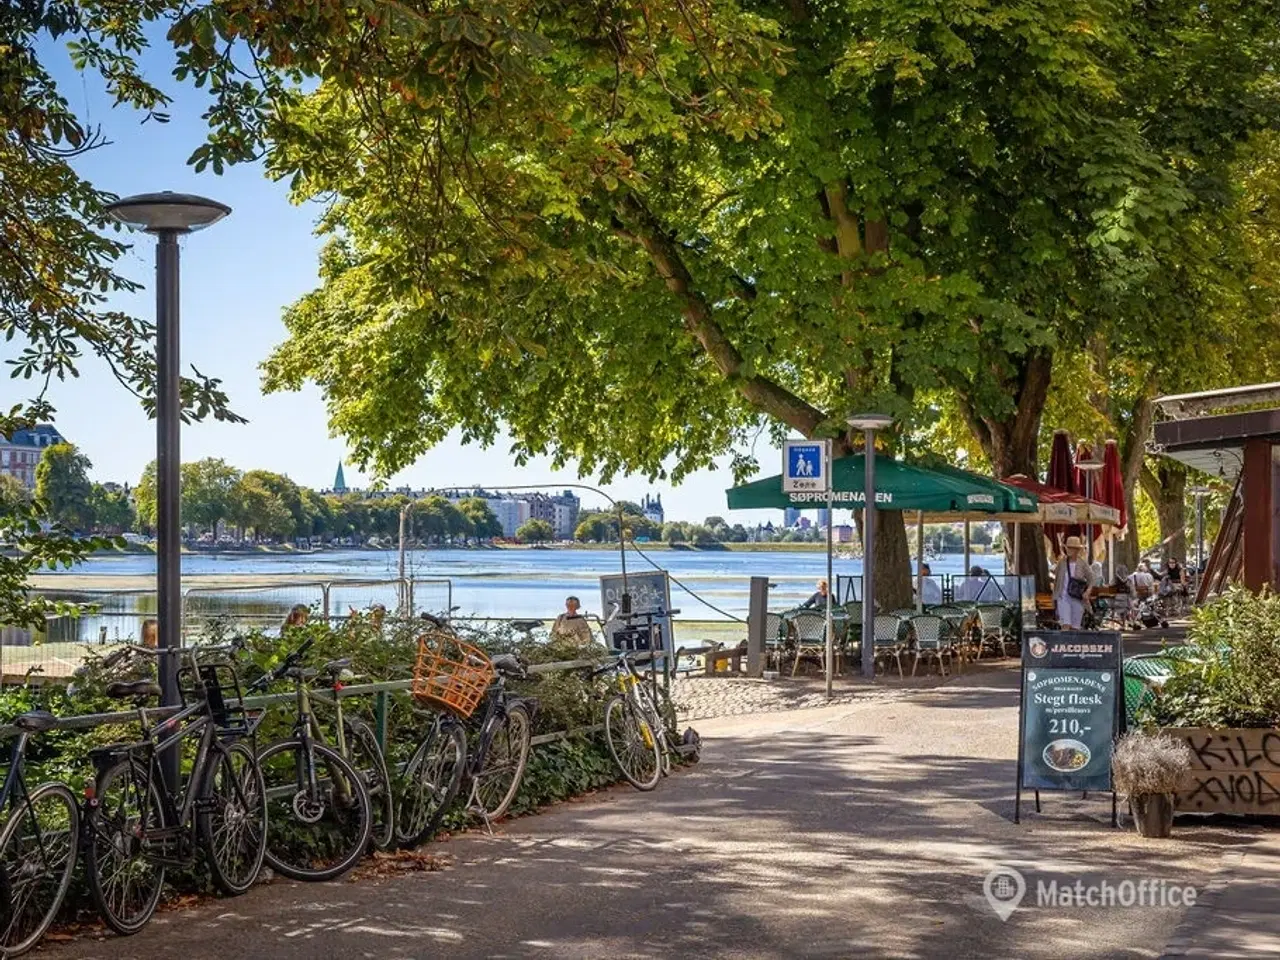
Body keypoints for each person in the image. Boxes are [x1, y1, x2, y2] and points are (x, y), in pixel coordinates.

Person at [1054, 536, 1095, 629]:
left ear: (1077, 550)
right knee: (1065, 625)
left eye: (1071, 548)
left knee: (1075, 627)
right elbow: (1057, 580)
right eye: (1068, 547)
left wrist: (1087, 592)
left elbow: (1091, 579)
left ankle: (1072, 643)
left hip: (1077, 598)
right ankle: (1063, 642)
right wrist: (1055, 598)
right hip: (1063, 597)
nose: (1069, 550)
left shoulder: (1082, 563)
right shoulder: (1061, 563)